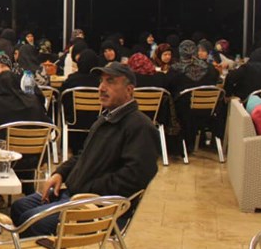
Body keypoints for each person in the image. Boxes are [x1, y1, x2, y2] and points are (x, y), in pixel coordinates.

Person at [9, 62, 158, 238]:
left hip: (98, 207)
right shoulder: (106, 118)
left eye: (110, 81)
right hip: (76, 194)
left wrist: (88, 189)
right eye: (101, 81)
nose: (102, 88)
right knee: (19, 207)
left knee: (32, 220)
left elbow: (134, 179)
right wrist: (60, 173)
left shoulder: (140, 127)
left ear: (129, 90)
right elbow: (83, 155)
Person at [0, 71, 48, 195]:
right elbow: (46, 123)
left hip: (0, 159)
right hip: (33, 158)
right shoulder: (32, 101)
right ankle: (28, 187)